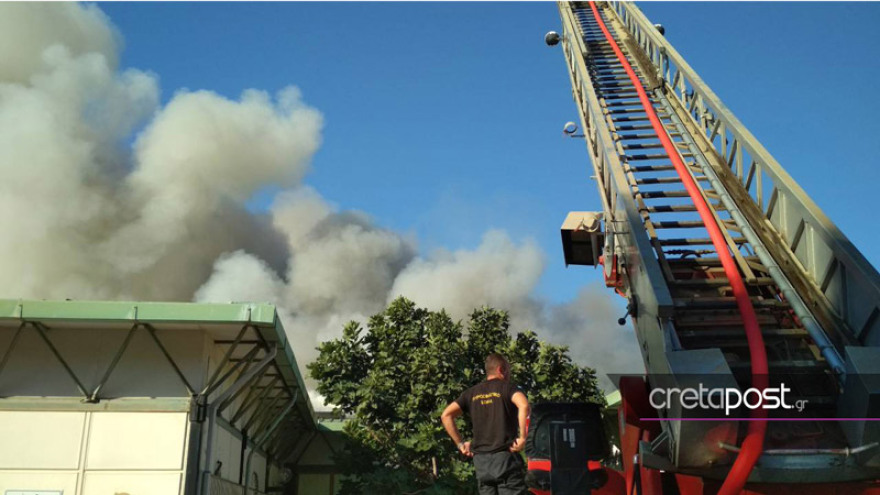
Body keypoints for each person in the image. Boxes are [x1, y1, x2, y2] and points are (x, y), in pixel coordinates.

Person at [441, 353, 531, 495]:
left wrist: (460, 445)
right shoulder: (507, 388)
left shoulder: (471, 393)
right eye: (508, 370)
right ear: (501, 369)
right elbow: (524, 405)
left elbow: (446, 415)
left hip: (482, 464)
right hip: (505, 460)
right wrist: (523, 438)